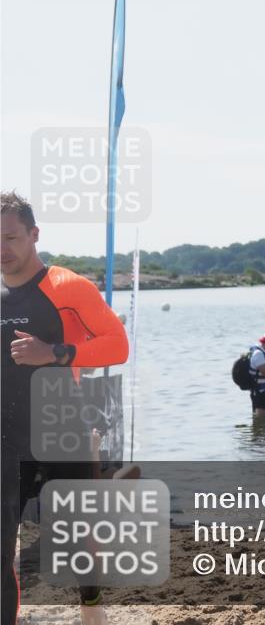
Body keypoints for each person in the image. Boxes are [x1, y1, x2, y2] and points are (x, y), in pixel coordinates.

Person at [1, 191, 129, 625]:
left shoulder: (67, 286)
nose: (2, 249)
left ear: (34, 234)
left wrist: (53, 353)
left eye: (11, 237)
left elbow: (117, 345)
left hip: (61, 430)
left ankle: (91, 606)